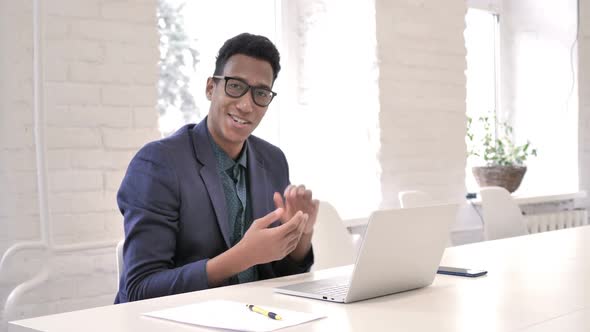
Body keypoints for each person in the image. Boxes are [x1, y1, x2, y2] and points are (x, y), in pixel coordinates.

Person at [114, 33, 319, 303]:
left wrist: (300, 236)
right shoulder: (158, 163)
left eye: (261, 93)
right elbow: (141, 288)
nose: (246, 105)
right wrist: (242, 256)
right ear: (211, 87)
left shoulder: (272, 160)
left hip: (256, 315)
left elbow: (279, 272)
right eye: (235, 86)